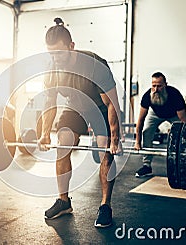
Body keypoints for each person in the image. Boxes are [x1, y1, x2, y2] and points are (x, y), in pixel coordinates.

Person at [39, 18, 122, 228]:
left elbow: (112, 103)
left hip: (101, 108)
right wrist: (44, 132)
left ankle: (105, 205)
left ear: (72, 47)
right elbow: (50, 102)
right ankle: (64, 201)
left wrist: (115, 139)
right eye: (51, 54)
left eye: (59, 53)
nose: (55, 59)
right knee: (62, 144)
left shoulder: (95, 66)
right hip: (75, 107)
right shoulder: (52, 69)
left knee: (105, 149)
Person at [134, 72, 186, 177]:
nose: (156, 89)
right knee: (147, 131)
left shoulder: (174, 94)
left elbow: (184, 122)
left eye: (159, 86)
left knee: (180, 133)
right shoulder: (147, 96)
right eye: (154, 86)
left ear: (165, 85)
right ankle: (146, 166)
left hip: (173, 115)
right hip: (155, 114)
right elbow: (140, 120)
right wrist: (137, 142)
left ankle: (181, 164)